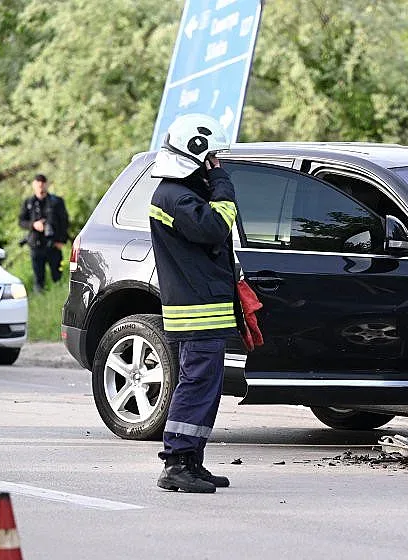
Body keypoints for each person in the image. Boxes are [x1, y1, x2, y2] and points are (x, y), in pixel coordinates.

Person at [150, 114, 243, 493]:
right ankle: (176, 462)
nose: (215, 165)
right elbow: (216, 228)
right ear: (197, 152)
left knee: (205, 386)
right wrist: (222, 183)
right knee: (195, 384)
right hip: (197, 312)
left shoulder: (182, 195)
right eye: (212, 159)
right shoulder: (176, 197)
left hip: (203, 308)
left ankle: (192, 460)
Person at [18, 174, 69, 292]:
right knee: (38, 279)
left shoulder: (56, 202)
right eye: (38, 184)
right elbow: (21, 222)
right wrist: (33, 225)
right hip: (36, 245)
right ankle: (40, 297)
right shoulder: (29, 203)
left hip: (53, 244)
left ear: (46, 184)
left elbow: (64, 222)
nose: (41, 187)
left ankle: (59, 296)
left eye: (43, 183)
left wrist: (61, 240)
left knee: (58, 277)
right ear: (34, 185)